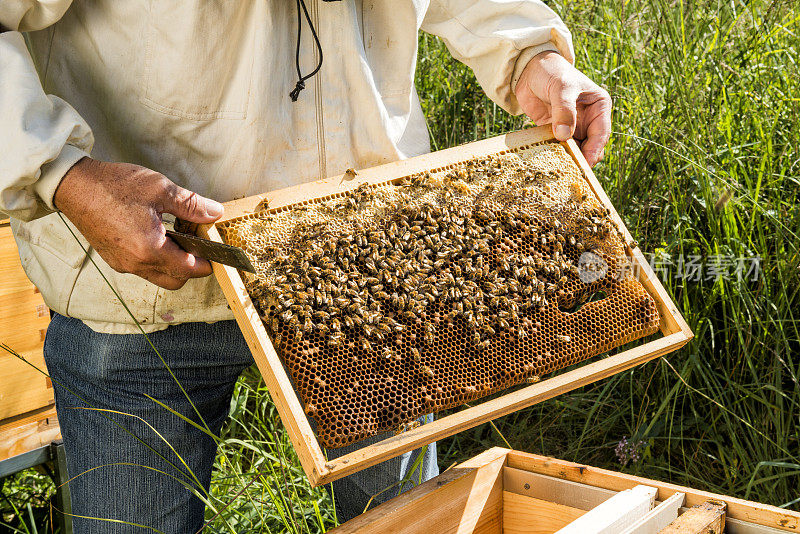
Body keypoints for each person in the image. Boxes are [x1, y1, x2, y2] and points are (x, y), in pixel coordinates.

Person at [0, 1, 611, 531]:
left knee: (405, 518)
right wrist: (63, 176)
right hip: (140, 279)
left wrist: (529, 51)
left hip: (367, 266)